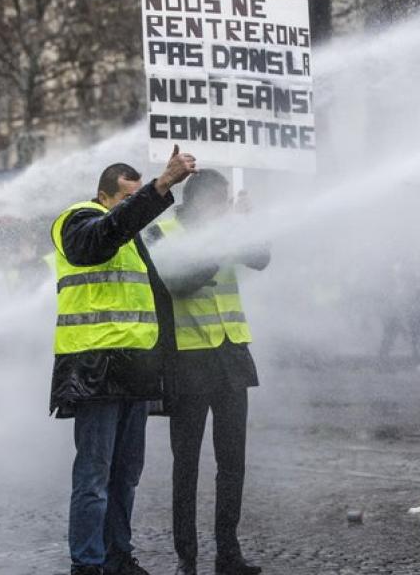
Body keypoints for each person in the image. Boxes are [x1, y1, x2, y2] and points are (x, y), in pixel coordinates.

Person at [50, 146, 196, 575]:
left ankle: (118, 556)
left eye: (138, 199)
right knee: (94, 478)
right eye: (127, 199)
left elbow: (176, 268)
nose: (135, 208)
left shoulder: (138, 233)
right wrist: (160, 186)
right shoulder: (77, 220)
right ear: (103, 196)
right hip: (96, 368)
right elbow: (100, 239)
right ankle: (88, 564)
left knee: (127, 474)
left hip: (135, 368)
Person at [145, 170, 268, 575]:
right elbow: (178, 283)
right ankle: (187, 556)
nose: (224, 207)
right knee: (188, 464)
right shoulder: (162, 231)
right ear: (198, 201)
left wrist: (245, 224)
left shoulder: (227, 227)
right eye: (220, 201)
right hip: (188, 358)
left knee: (233, 461)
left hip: (232, 354)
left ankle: (228, 551)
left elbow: (261, 258)